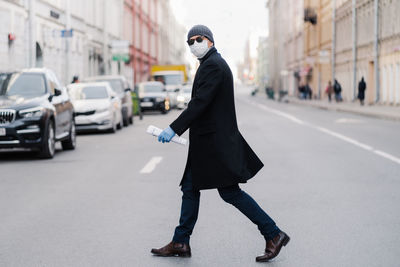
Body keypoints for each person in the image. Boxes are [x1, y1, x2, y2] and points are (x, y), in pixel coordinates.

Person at [151, 25, 290, 263]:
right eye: (190, 41)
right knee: (190, 188)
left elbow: (200, 103)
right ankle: (181, 241)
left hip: (215, 145)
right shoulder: (210, 64)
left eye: (199, 39)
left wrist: (173, 128)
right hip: (208, 144)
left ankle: (273, 233)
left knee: (230, 193)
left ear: (210, 41)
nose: (195, 43)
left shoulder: (214, 65)